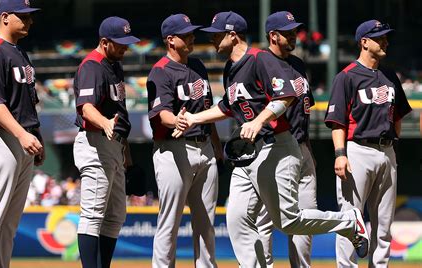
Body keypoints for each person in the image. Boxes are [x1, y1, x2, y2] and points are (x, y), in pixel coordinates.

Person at [177, 11, 369, 267]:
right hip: (248, 154)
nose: (212, 40)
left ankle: (348, 222)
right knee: (236, 219)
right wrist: (193, 118)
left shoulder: (260, 59)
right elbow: (226, 106)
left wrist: (258, 121)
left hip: (276, 147)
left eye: (217, 35)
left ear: (233, 36)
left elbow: (285, 96)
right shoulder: (230, 68)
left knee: (288, 221)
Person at [324, 20, 412, 267]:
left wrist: (392, 147)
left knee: (383, 224)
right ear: (364, 42)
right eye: (379, 37)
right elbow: (337, 121)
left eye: (386, 37)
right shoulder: (346, 77)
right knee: (350, 221)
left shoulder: (390, 76)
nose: (385, 41)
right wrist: (340, 154)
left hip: (386, 152)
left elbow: (397, 115)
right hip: (357, 151)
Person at [147, 14, 222, 268]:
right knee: (170, 223)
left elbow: (206, 109)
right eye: (186, 34)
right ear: (170, 40)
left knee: (206, 224)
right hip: (174, 149)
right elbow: (160, 112)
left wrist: (216, 144)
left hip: (205, 147)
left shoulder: (198, 66)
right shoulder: (160, 71)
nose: (192, 37)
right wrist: (175, 121)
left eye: (192, 33)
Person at [0, 0, 44, 267]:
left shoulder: (20, 53)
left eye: (30, 16)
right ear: (4, 17)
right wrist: (22, 135)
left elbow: (28, 101)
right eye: (23, 16)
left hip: (21, 138)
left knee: (10, 219)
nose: (29, 21)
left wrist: (35, 135)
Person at [72, 16, 139, 268]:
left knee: (115, 215)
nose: (125, 47)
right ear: (104, 42)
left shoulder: (114, 65)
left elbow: (119, 113)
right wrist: (105, 123)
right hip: (95, 140)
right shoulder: (92, 65)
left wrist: (127, 156)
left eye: (127, 42)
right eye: (120, 43)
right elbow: (86, 108)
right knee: (92, 214)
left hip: (114, 143)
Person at [254, 11, 317, 268]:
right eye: (288, 32)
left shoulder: (298, 64)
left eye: (294, 31)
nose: (294, 35)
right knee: (266, 219)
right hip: (275, 147)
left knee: (306, 217)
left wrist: (308, 151)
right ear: (273, 35)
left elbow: (305, 108)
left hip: (301, 147)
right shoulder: (260, 62)